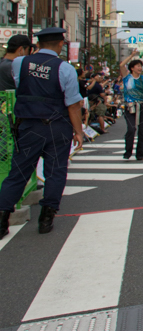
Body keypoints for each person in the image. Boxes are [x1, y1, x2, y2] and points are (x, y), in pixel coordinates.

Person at [0, 27, 83, 240]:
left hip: (28, 126)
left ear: (38, 44)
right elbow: (73, 104)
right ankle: (46, 219)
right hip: (57, 127)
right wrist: (79, 132)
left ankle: (2, 219)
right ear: (60, 44)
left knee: (18, 171)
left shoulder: (20, 63)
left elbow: (21, 85)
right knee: (55, 172)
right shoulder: (65, 68)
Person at [120, 50, 143, 160]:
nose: (140, 68)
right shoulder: (127, 77)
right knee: (131, 129)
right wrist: (131, 56)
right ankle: (128, 152)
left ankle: (140, 153)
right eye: (137, 66)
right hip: (130, 106)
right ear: (132, 68)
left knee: (142, 130)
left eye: (141, 66)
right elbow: (121, 65)